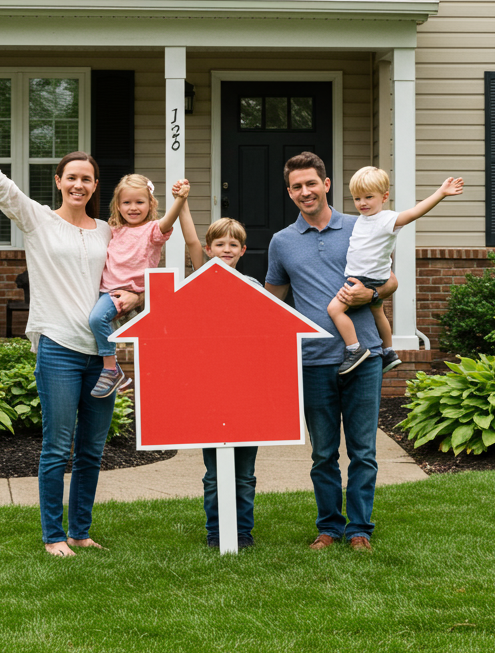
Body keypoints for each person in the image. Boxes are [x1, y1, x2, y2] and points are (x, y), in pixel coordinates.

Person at [0, 95, 136, 558]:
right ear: (58, 182)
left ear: (95, 185)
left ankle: (81, 530)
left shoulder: (109, 231)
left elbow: (131, 277)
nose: (79, 185)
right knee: (57, 446)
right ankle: (52, 535)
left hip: (102, 356)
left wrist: (136, 296)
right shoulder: (38, 221)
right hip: (60, 349)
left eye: (87, 179)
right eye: (72, 178)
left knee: (91, 450)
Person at [264, 151, 396, 552]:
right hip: (314, 361)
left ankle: (359, 530)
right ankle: (328, 527)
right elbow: (274, 301)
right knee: (323, 453)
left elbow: (389, 281)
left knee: (363, 451)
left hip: (365, 356)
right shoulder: (282, 242)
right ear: (289, 192)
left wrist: (370, 293)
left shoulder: (362, 225)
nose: (305, 192)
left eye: (311, 183)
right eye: (296, 186)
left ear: (326, 184)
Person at [328, 166, 464, 377]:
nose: (362, 203)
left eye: (368, 197)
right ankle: (389, 352)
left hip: (364, 278)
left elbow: (414, 213)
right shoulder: (362, 220)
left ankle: (355, 349)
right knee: (378, 312)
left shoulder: (387, 219)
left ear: (384, 196)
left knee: (335, 310)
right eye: (357, 198)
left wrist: (441, 193)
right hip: (374, 276)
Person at [179, 201, 260, 549]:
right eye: (219, 244)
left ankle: (242, 532)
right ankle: (216, 533)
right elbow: (189, 239)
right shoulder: (199, 281)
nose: (225, 250)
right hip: (209, 395)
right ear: (208, 249)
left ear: (242, 250)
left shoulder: (254, 286)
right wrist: (182, 203)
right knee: (214, 475)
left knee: (245, 474)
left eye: (233, 245)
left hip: (246, 393)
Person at [88, 173, 190, 398]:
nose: (133, 208)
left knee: (96, 319)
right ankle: (113, 376)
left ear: (150, 204)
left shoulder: (152, 231)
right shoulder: (112, 230)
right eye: (127, 202)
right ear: (118, 205)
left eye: (139, 202)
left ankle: (110, 369)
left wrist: (180, 199)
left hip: (125, 293)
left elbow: (168, 222)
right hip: (105, 291)